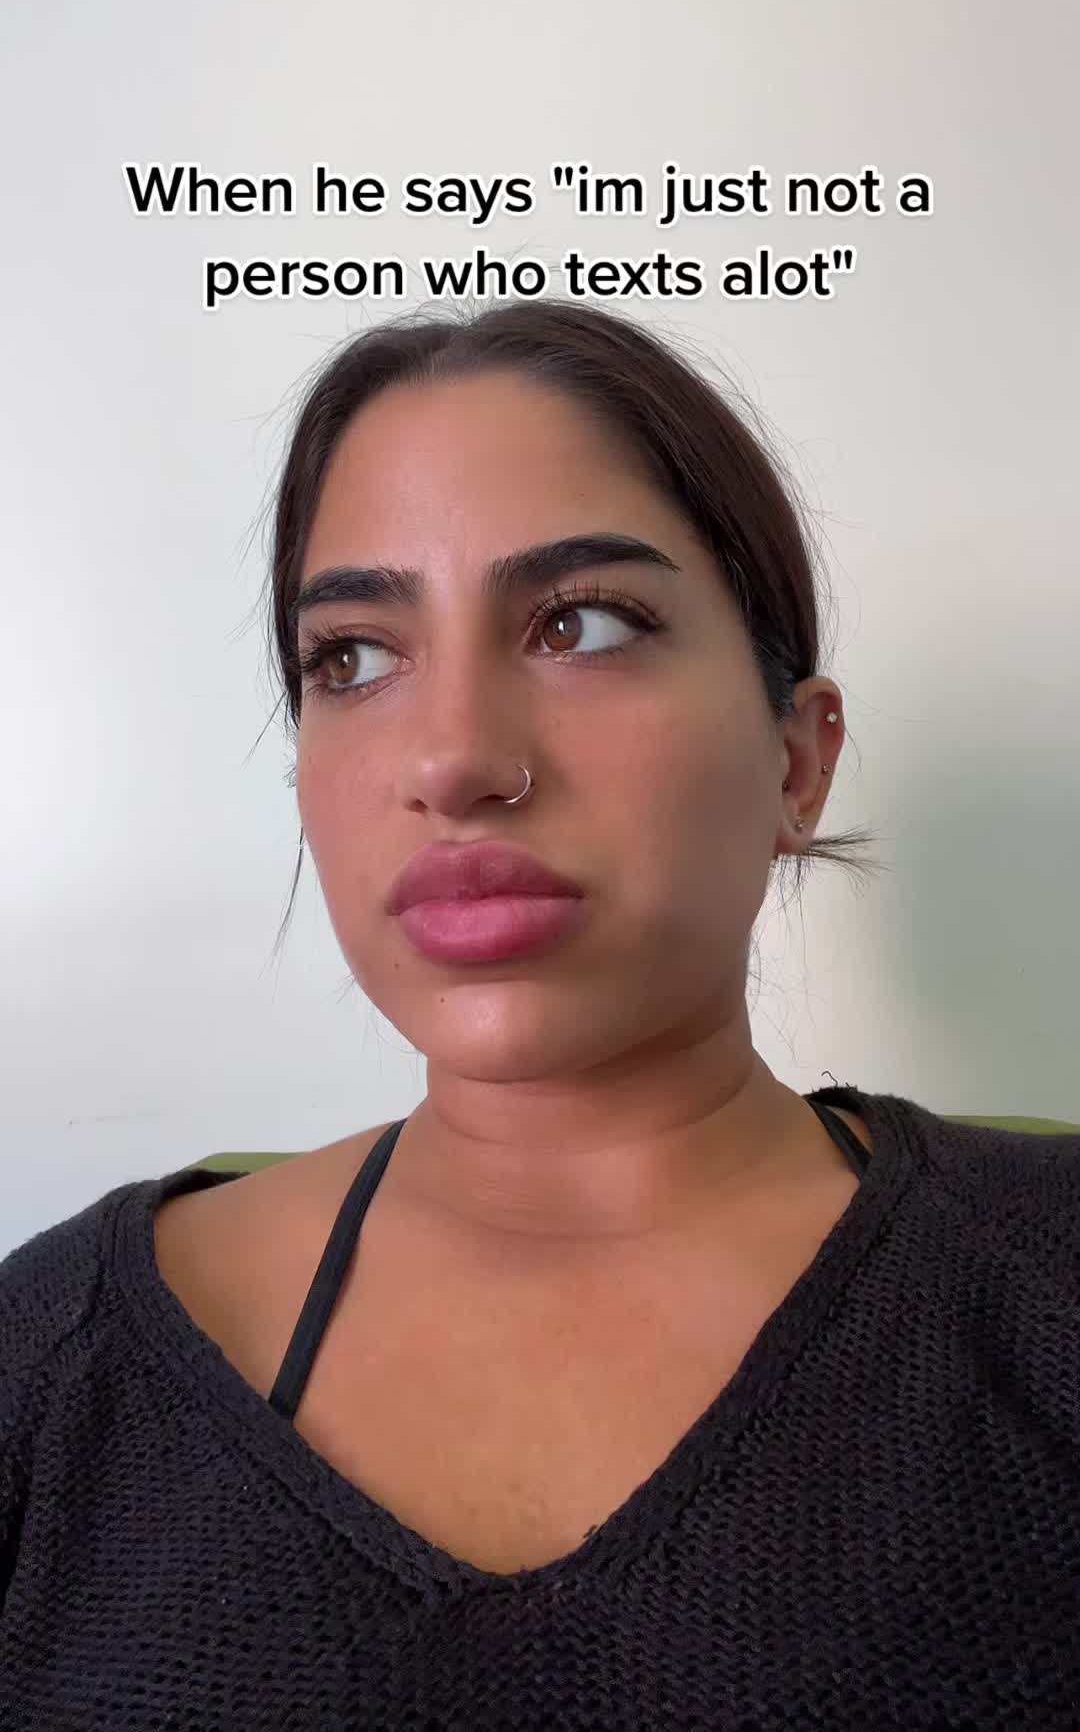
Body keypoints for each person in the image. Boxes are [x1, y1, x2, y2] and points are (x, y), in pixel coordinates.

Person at [2, 299, 1078, 1729]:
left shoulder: (1049, 1282)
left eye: (583, 624)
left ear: (797, 763)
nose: (453, 760)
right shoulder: (47, 1359)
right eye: (352, 658)